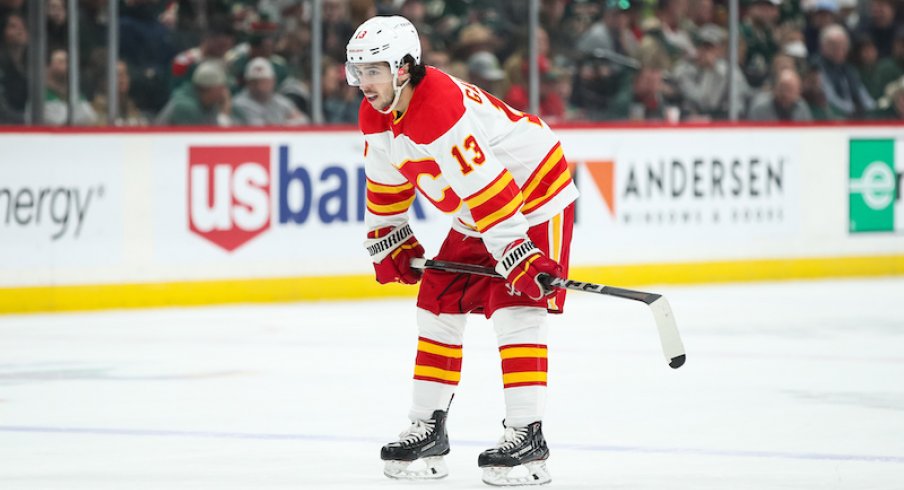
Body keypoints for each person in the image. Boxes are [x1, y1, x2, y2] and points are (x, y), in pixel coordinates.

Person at [346, 15, 578, 486]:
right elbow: (386, 180)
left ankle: (526, 435)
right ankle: (427, 427)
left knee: (517, 305)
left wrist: (517, 252)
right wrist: (389, 235)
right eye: (359, 70)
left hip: (533, 192)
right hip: (481, 208)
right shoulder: (376, 113)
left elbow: (486, 183)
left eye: (375, 70)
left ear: (404, 67)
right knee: (438, 299)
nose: (365, 82)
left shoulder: (439, 106)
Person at [232, 57, 308, 126]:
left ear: (273, 81)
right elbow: (258, 128)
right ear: (247, 83)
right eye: (255, 82)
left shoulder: (280, 101)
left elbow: (303, 120)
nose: (260, 87)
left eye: (264, 82)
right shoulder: (239, 103)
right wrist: (285, 123)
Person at [155, 60, 232, 126]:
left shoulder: (209, 104)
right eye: (222, 88)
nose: (224, 92)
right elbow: (208, 138)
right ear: (208, 88)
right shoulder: (184, 106)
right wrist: (223, 116)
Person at [747, 68, 813, 121]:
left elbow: (808, 133)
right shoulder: (759, 108)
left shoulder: (802, 107)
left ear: (798, 91)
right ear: (775, 88)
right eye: (783, 88)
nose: (785, 93)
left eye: (790, 90)